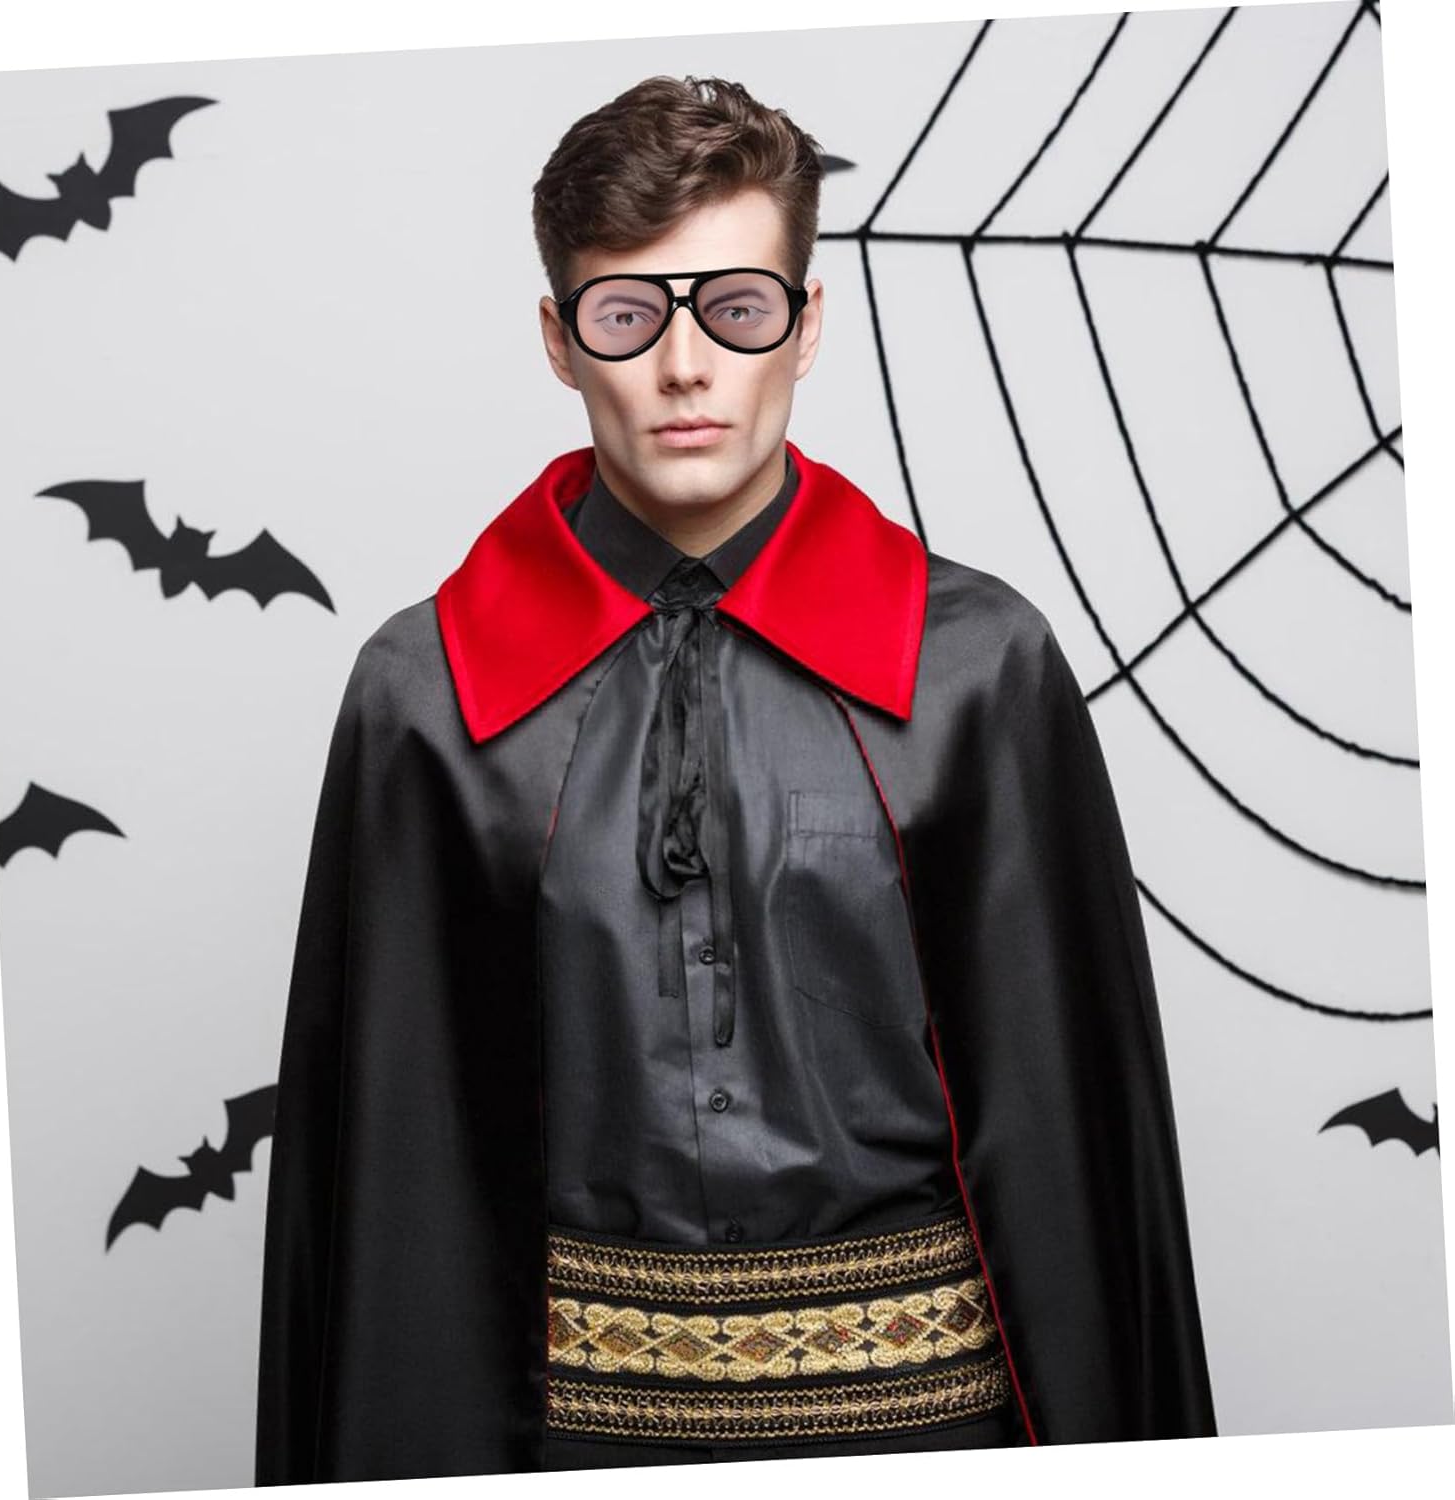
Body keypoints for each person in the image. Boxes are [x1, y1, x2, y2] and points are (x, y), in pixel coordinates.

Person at [254, 74, 1217, 1485]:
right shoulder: (425, 695)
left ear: (807, 325)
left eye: (739, 310)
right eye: (627, 315)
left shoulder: (980, 668)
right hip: (563, 1447)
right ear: (559, 339)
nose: (686, 367)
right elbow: (386, 1182)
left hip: (938, 1440)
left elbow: (1083, 1151)